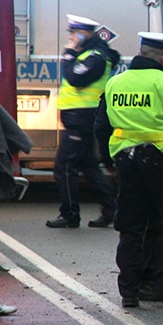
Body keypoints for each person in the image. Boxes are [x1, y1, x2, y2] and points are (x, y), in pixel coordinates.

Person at [94, 32, 163, 308]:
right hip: (162, 164)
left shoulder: (115, 83)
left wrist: (110, 163)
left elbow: (100, 126)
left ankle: (130, 291)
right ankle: (161, 283)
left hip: (127, 164)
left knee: (131, 227)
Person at [46, 14, 119, 229]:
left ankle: (69, 215)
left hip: (82, 120)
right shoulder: (90, 54)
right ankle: (110, 210)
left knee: (64, 166)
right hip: (81, 119)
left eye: (74, 33)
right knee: (89, 167)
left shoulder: (96, 57)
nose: (71, 37)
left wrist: (69, 52)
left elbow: (75, 79)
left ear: (84, 33)